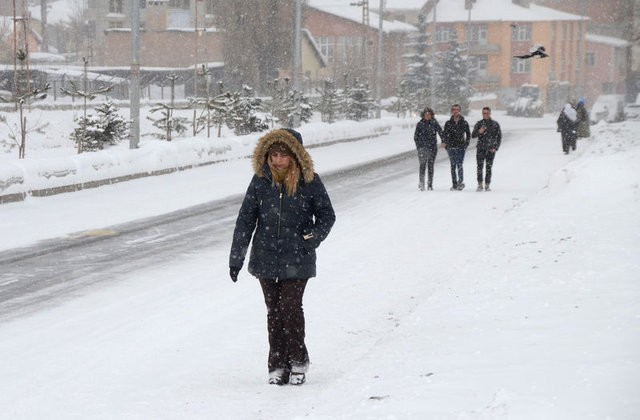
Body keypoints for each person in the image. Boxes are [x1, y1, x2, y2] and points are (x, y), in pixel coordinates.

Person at [229, 128, 335, 387]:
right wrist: (236, 258)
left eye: (283, 155)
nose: (277, 160)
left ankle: (297, 361)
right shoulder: (260, 181)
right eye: (273, 155)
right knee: (273, 311)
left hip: (297, 257)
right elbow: (246, 221)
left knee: (290, 307)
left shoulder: (310, 181)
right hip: (265, 258)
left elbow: (326, 215)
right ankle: (277, 365)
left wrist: (313, 236)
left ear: (295, 156)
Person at [413, 107, 444, 191]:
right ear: (423, 115)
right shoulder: (420, 124)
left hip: (432, 147)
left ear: (431, 115)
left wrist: (443, 141)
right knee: (422, 165)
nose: (427, 116)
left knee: (431, 166)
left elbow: (441, 132)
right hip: (422, 148)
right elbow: (416, 137)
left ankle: (430, 184)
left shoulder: (434, 123)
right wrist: (419, 146)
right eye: (426, 114)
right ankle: (421, 183)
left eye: (429, 114)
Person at [471, 107, 502, 192]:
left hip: (491, 149)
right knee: (479, 167)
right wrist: (479, 132)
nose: (486, 115)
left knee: (489, 167)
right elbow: (473, 135)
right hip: (481, 148)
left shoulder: (495, 124)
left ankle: (487, 184)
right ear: (482, 114)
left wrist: (495, 147)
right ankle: (480, 184)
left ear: (490, 113)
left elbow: (499, 137)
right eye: (484, 113)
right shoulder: (479, 123)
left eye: (487, 113)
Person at [442, 104, 471, 190]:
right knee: (453, 166)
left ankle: (460, 182)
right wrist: (446, 144)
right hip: (451, 147)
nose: (455, 111)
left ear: (459, 111)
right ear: (452, 111)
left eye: (457, 109)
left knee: (460, 164)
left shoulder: (464, 122)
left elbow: (468, 134)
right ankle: (454, 184)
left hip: (461, 147)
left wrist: (466, 144)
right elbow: (444, 135)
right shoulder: (448, 123)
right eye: (454, 109)